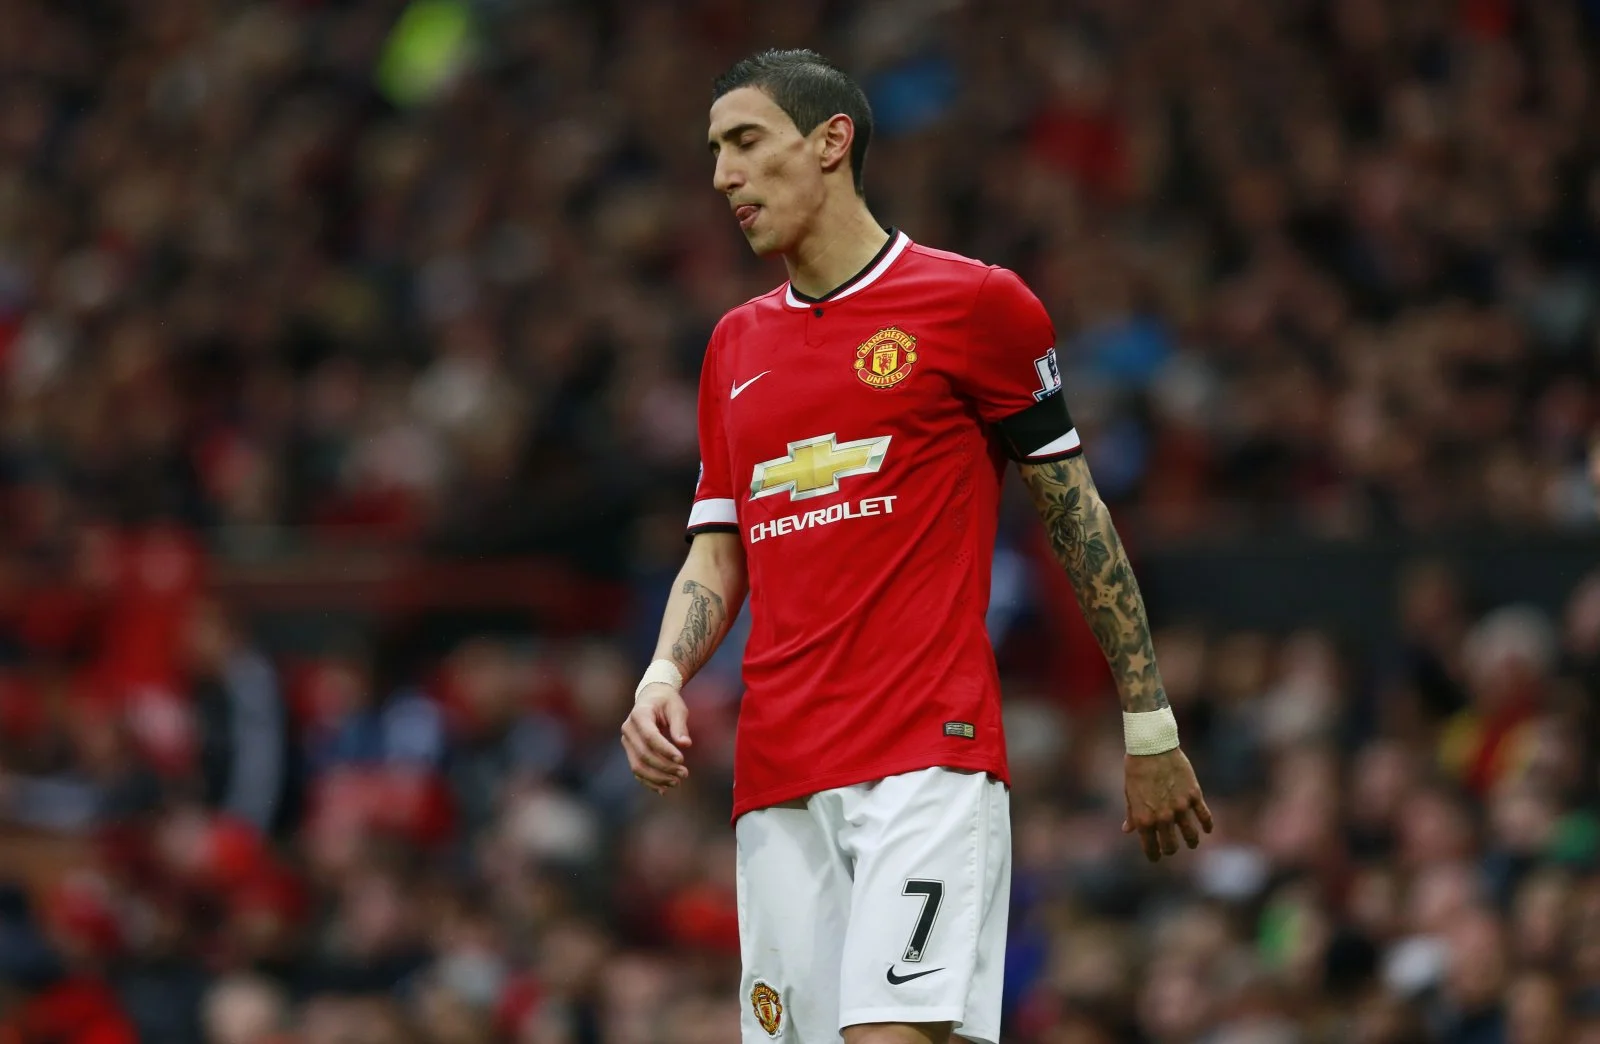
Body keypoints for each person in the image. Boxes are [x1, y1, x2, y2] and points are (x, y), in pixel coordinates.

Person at [619, 49, 1212, 1044]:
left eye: (746, 142)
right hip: (777, 779)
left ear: (831, 142)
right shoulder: (733, 346)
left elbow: (1077, 517)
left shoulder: (976, 305)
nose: (722, 175)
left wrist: (1148, 724)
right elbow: (718, 550)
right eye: (714, 150)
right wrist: (661, 675)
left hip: (924, 761)